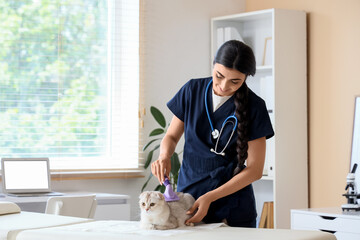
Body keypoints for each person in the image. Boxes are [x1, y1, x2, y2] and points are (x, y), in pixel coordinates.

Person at [150, 40, 274, 228]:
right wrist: (164, 156)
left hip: (233, 206)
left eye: (235, 81)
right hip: (188, 199)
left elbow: (255, 170)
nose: (224, 86)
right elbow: (172, 137)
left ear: (246, 78)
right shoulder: (192, 91)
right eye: (219, 76)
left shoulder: (255, 107)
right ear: (213, 64)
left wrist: (210, 197)